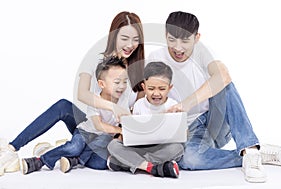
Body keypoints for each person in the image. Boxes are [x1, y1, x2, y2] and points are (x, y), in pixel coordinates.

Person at [147, 11, 281, 183]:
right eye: (172, 40)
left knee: (224, 84)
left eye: (185, 41)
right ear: (165, 35)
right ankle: (249, 155)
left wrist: (186, 104)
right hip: (185, 132)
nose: (178, 48)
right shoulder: (155, 58)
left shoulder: (202, 52)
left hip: (214, 123)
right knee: (189, 160)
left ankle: (249, 146)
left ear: (196, 37)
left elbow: (223, 76)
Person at [0, 11, 145, 176]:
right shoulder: (97, 60)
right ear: (113, 36)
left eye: (135, 39)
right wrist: (113, 107)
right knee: (63, 106)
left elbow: (137, 109)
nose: (130, 44)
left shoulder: (138, 70)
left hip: (110, 133)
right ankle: (11, 148)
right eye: (124, 38)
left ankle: (61, 150)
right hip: (90, 123)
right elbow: (82, 94)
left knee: (99, 164)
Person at [21, 56, 129, 174]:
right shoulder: (95, 99)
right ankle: (40, 161)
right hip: (86, 132)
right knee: (74, 148)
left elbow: (126, 119)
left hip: (102, 140)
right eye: (117, 82)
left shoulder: (123, 99)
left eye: (125, 81)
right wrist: (119, 130)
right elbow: (98, 125)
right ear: (101, 84)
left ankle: (74, 160)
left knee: (102, 161)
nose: (122, 86)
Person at [107, 61, 184, 178]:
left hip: (161, 149)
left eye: (162, 89)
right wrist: (126, 129)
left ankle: (125, 163)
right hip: (140, 148)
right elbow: (133, 132)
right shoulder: (138, 105)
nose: (156, 93)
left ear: (170, 88)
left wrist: (177, 121)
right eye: (151, 88)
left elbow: (183, 135)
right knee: (113, 145)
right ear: (144, 87)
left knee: (178, 149)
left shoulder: (174, 105)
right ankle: (153, 168)